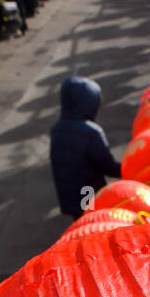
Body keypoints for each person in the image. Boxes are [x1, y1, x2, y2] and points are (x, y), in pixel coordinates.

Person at [50, 77, 121, 219]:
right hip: (88, 191)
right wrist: (127, 170)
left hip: (68, 192)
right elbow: (106, 164)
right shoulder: (91, 132)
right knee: (92, 222)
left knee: (80, 223)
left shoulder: (57, 128)